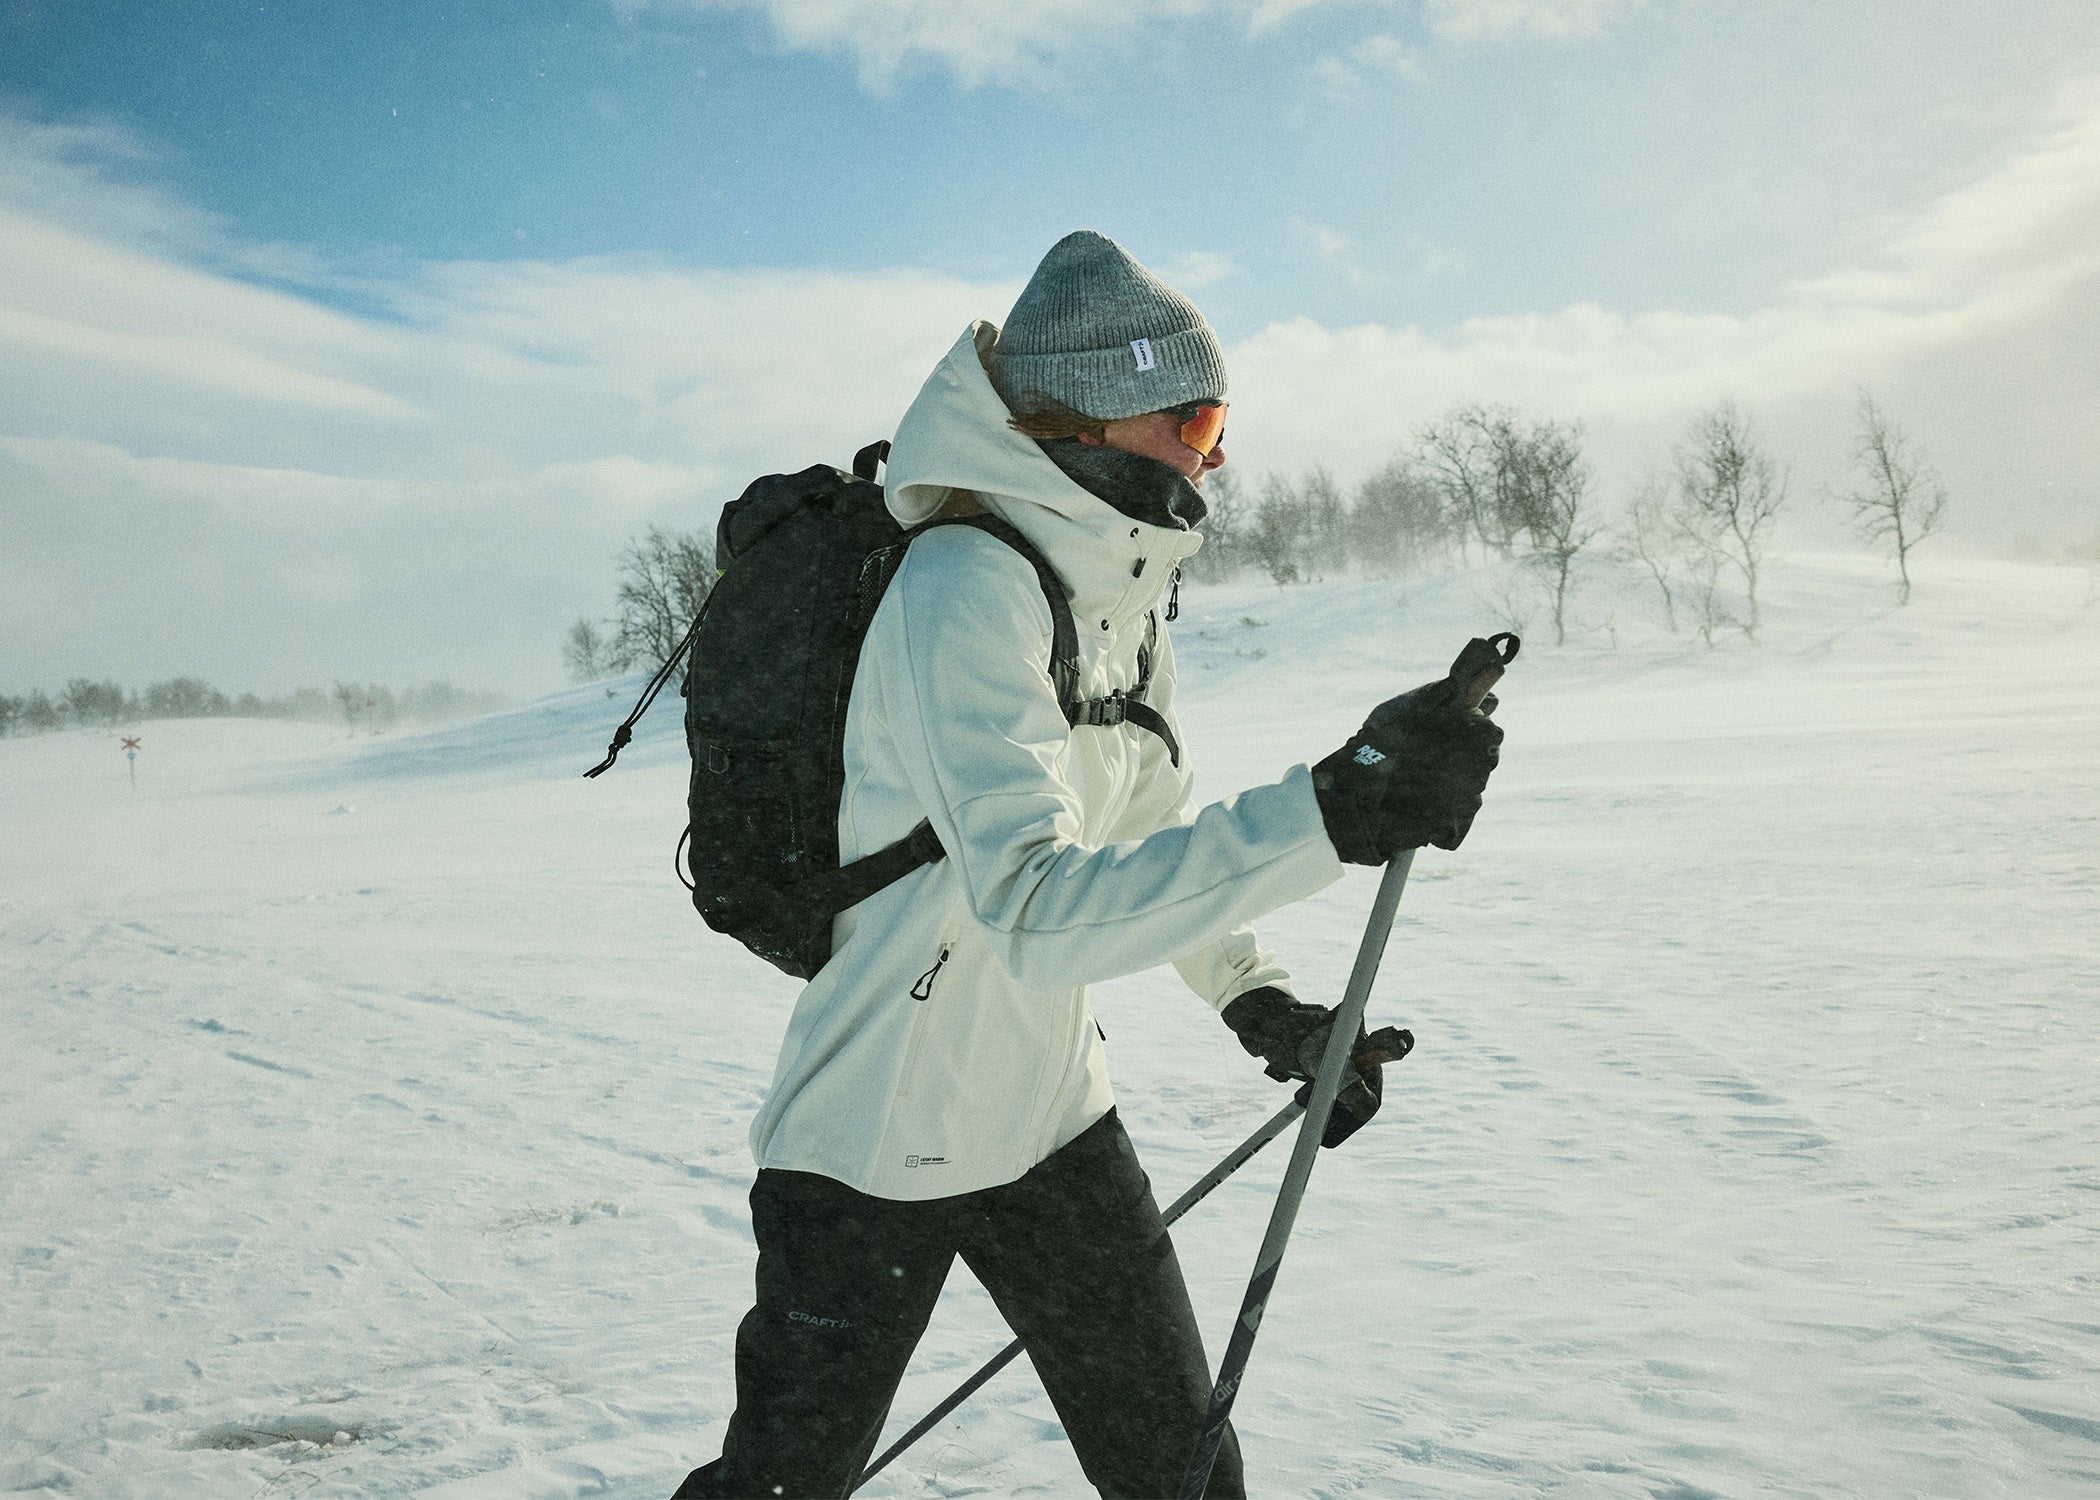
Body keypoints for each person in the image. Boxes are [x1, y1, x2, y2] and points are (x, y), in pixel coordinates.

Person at [673, 230, 1502, 1499]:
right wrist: (1330, 814)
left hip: (1052, 1124)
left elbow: (1148, 845)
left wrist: (1262, 1002)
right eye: (1198, 420)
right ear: (1098, 420)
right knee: (780, 1487)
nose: (1216, 456)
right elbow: (1034, 913)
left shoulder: (1120, 604)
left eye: (1221, 424)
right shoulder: (963, 586)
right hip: (870, 1144)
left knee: (1183, 1479)